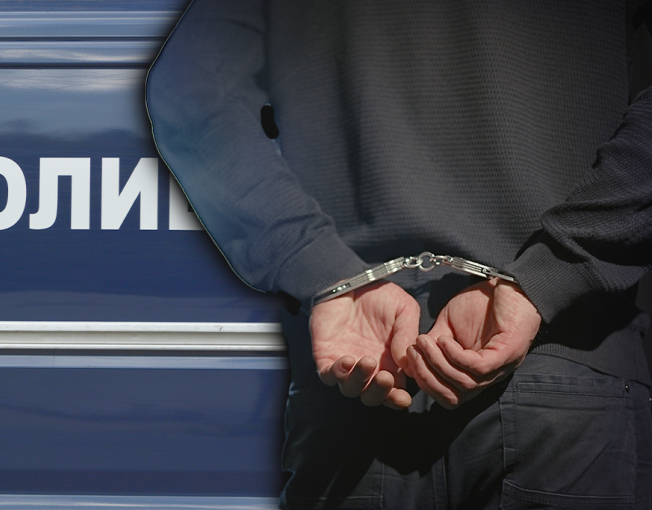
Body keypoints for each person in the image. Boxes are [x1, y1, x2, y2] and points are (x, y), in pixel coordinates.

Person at [146, 1, 652, 508]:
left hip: (358, 381)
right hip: (560, 384)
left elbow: (190, 89)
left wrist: (319, 266)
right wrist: (554, 270)